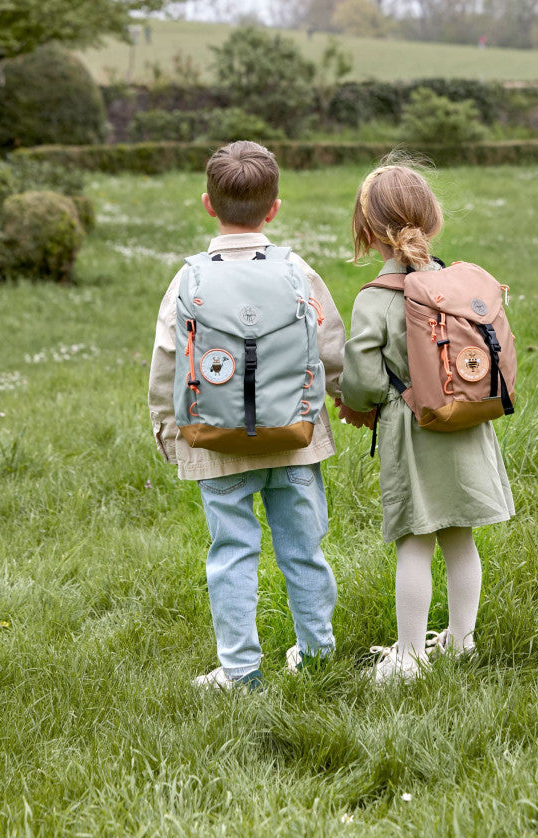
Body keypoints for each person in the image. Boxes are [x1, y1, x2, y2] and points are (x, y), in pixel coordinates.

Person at [148, 140, 345, 690]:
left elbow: (167, 365)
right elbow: (330, 349)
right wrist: (347, 400)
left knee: (231, 553)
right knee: (304, 551)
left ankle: (240, 671)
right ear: (274, 207)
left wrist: (170, 434)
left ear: (207, 205)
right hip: (296, 438)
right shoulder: (297, 270)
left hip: (216, 440)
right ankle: (317, 655)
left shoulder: (188, 279)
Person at [339, 163, 515, 682]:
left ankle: (410, 657)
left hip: (412, 431)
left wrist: (356, 402)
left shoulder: (376, 298)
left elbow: (365, 382)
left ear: (369, 234)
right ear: (432, 222)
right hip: (464, 424)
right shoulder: (456, 285)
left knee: (415, 541)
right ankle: (462, 642)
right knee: (461, 538)